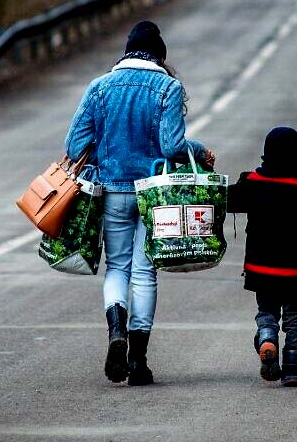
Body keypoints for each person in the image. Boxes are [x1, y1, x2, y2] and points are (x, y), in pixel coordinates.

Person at [65, 21, 216, 386]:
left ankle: (115, 330)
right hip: (156, 195)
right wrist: (199, 152)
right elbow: (172, 148)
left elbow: (73, 147)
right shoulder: (168, 87)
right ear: (159, 56)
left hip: (113, 191)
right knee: (145, 272)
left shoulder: (99, 88)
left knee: (116, 268)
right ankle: (138, 362)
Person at [228, 127, 297, 387]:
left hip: (260, 266)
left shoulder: (253, 184)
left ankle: (267, 337)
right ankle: (292, 364)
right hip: (295, 269)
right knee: (294, 313)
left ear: (266, 153)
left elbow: (226, 200)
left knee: (266, 309)